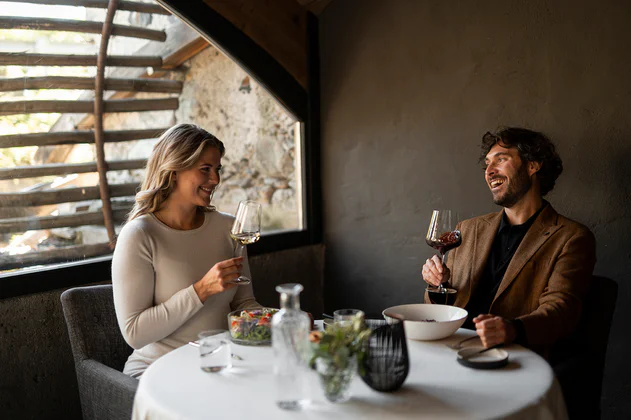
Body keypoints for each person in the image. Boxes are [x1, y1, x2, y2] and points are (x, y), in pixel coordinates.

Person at [421, 127, 596, 358]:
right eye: (487, 164)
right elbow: (444, 307)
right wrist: (436, 284)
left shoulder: (571, 237)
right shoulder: (467, 229)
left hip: (513, 358)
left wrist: (512, 330)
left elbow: (562, 311)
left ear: (533, 165)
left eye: (501, 160)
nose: (489, 171)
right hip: (450, 350)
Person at [112, 123, 261, 378]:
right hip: (158, 370)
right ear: (174, 171)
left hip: (221, 363)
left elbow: (243, 303)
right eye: (205, 170)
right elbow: (135, 333)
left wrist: (281, 322)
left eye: (217, 169)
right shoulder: (139, 235)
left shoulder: (228, 228)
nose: (215, 180)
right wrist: (201, 290)